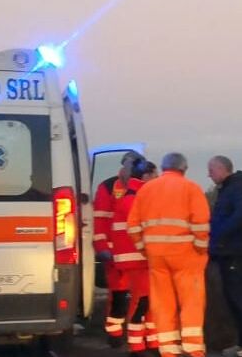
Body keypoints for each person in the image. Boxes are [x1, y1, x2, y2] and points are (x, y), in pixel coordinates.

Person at [128, 152, 211, 357]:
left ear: (164, 168)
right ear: (184, 168)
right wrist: (200, 249)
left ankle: (168, 349)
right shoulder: (191, 188)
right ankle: (193, 349)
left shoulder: (146, 189)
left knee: (162, 302)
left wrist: (144, 249)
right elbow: (201, 223)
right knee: (191, 301)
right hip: (186, 255)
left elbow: (132, 225)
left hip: (156, 256)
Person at [93, 151, 159, 357]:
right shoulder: (108, 186)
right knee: (120, 295)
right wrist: (102, 246)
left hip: (139, 252)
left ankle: (147, 337)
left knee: (144, 297)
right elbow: (100, 219)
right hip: (116, 251)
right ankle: (115, 332)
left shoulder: (142, 188)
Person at [207, 156, 242, 357]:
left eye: (211, 170)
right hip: (226, 253)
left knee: (241, 297)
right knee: (232, 297)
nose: (209, 175)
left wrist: (220, 233)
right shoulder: (226, 190)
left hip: (238, 252)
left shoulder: (239, 187)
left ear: (222, 169)